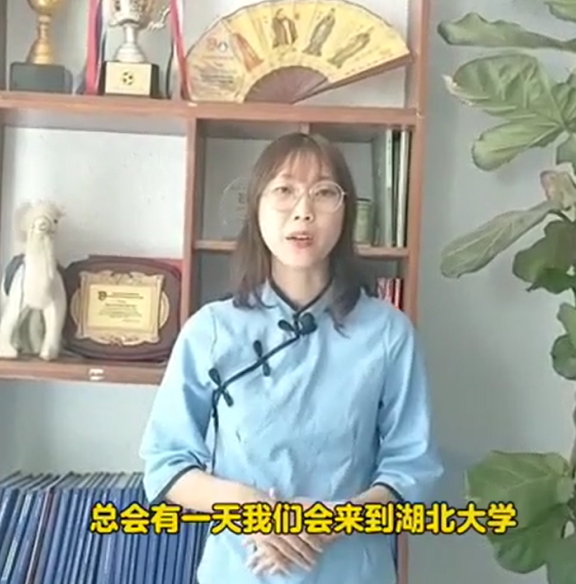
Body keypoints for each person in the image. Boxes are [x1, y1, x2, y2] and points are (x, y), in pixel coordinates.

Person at [139, 132, 443, 583]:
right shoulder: (211, 330)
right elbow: (166, 463)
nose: (303, 210)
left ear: (346, 212)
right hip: (239, 572)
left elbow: (412, 469)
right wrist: (250, 508)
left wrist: (335, 520)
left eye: (323, 192)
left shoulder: (388, 332)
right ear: (256, 208)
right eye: (284, 190)